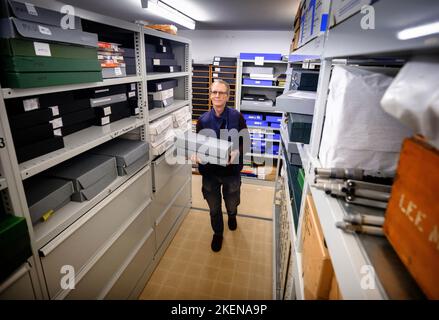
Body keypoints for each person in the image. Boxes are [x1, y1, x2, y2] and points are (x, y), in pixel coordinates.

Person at [194, 79, 249, 252]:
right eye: (214, 92)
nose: (217, 95)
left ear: (227, 96)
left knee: (232, 202)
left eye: (221, 93)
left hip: (231, 172)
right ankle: (218, 233)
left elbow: (246, 141)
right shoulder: (202, 120)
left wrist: (237, 152)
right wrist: (194, 155)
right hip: (209, 173)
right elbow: (198, 145)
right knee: (214, 208)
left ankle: (232, 215)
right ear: (210, 95)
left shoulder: (236, 117)